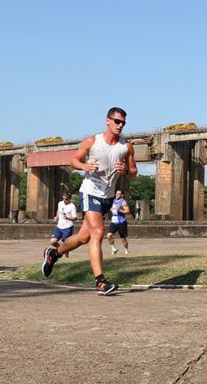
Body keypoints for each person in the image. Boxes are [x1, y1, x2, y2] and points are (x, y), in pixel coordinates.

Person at [41, 107, 138, 295]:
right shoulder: (93, 141)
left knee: (84, 237)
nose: (120, 125)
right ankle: (101, 282)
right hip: (89, 193)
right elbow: (73, 161)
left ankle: (53, 254)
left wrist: (125, 171)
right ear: (107, 121)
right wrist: (84, 165)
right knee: (99, 232)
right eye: (117, 121)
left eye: (123, 123)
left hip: (107, 197)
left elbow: (134, 172)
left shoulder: (126, 146)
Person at [107, 189, 130, 255]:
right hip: (114, 221)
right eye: (116, 193)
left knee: (123, 239)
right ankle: (114, 248)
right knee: (108, 236)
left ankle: (126, 250)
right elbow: (111, 208)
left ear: (122, 195)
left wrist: (120, 210)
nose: (117, 195)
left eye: (119, 194)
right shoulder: (113, 201)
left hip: (121, 222)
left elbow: (128, 212)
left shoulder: (123, 202)